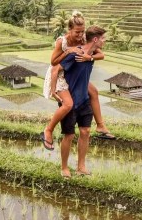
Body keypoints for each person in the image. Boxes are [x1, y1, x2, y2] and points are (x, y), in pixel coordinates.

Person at [40, 12, 113, 151]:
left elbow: (101, 54)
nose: (80, 35)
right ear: (70, 30)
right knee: (68, 104)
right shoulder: (62, 41)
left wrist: (88, 58)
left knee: (94, 92)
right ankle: (48, 130)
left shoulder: (84, 39)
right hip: (60, 73)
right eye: (77, 32)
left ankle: (100, 125)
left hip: (71, 72)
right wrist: (67, 52)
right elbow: (54, 63)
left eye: (82, 31)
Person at [58, 25, 106, 178]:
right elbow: (56, 69)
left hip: (85, 99)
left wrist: (90, 57)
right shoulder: (75, 53)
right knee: (69, 135)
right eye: (103, 39)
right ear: (96, 39)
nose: (105, 41)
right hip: (70, 100)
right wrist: (54, 91)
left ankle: (81, 167)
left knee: (85, 132)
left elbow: (101, 55)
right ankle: (64, 167)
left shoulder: (92, 54)